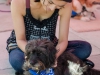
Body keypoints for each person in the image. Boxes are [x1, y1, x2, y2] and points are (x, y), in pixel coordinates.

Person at [6, 0, 94, 74]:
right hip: (23, 47)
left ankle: (49, 63)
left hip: (48, 49)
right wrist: (29, 54)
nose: (52, 8)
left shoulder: (66, 3)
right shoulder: (19, 2)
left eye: (59, 6)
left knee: (85, 48)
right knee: (17, 62)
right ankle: (71, 63)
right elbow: (20, 39)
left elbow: (63, 40)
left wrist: (54, 57)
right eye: (51, 2)